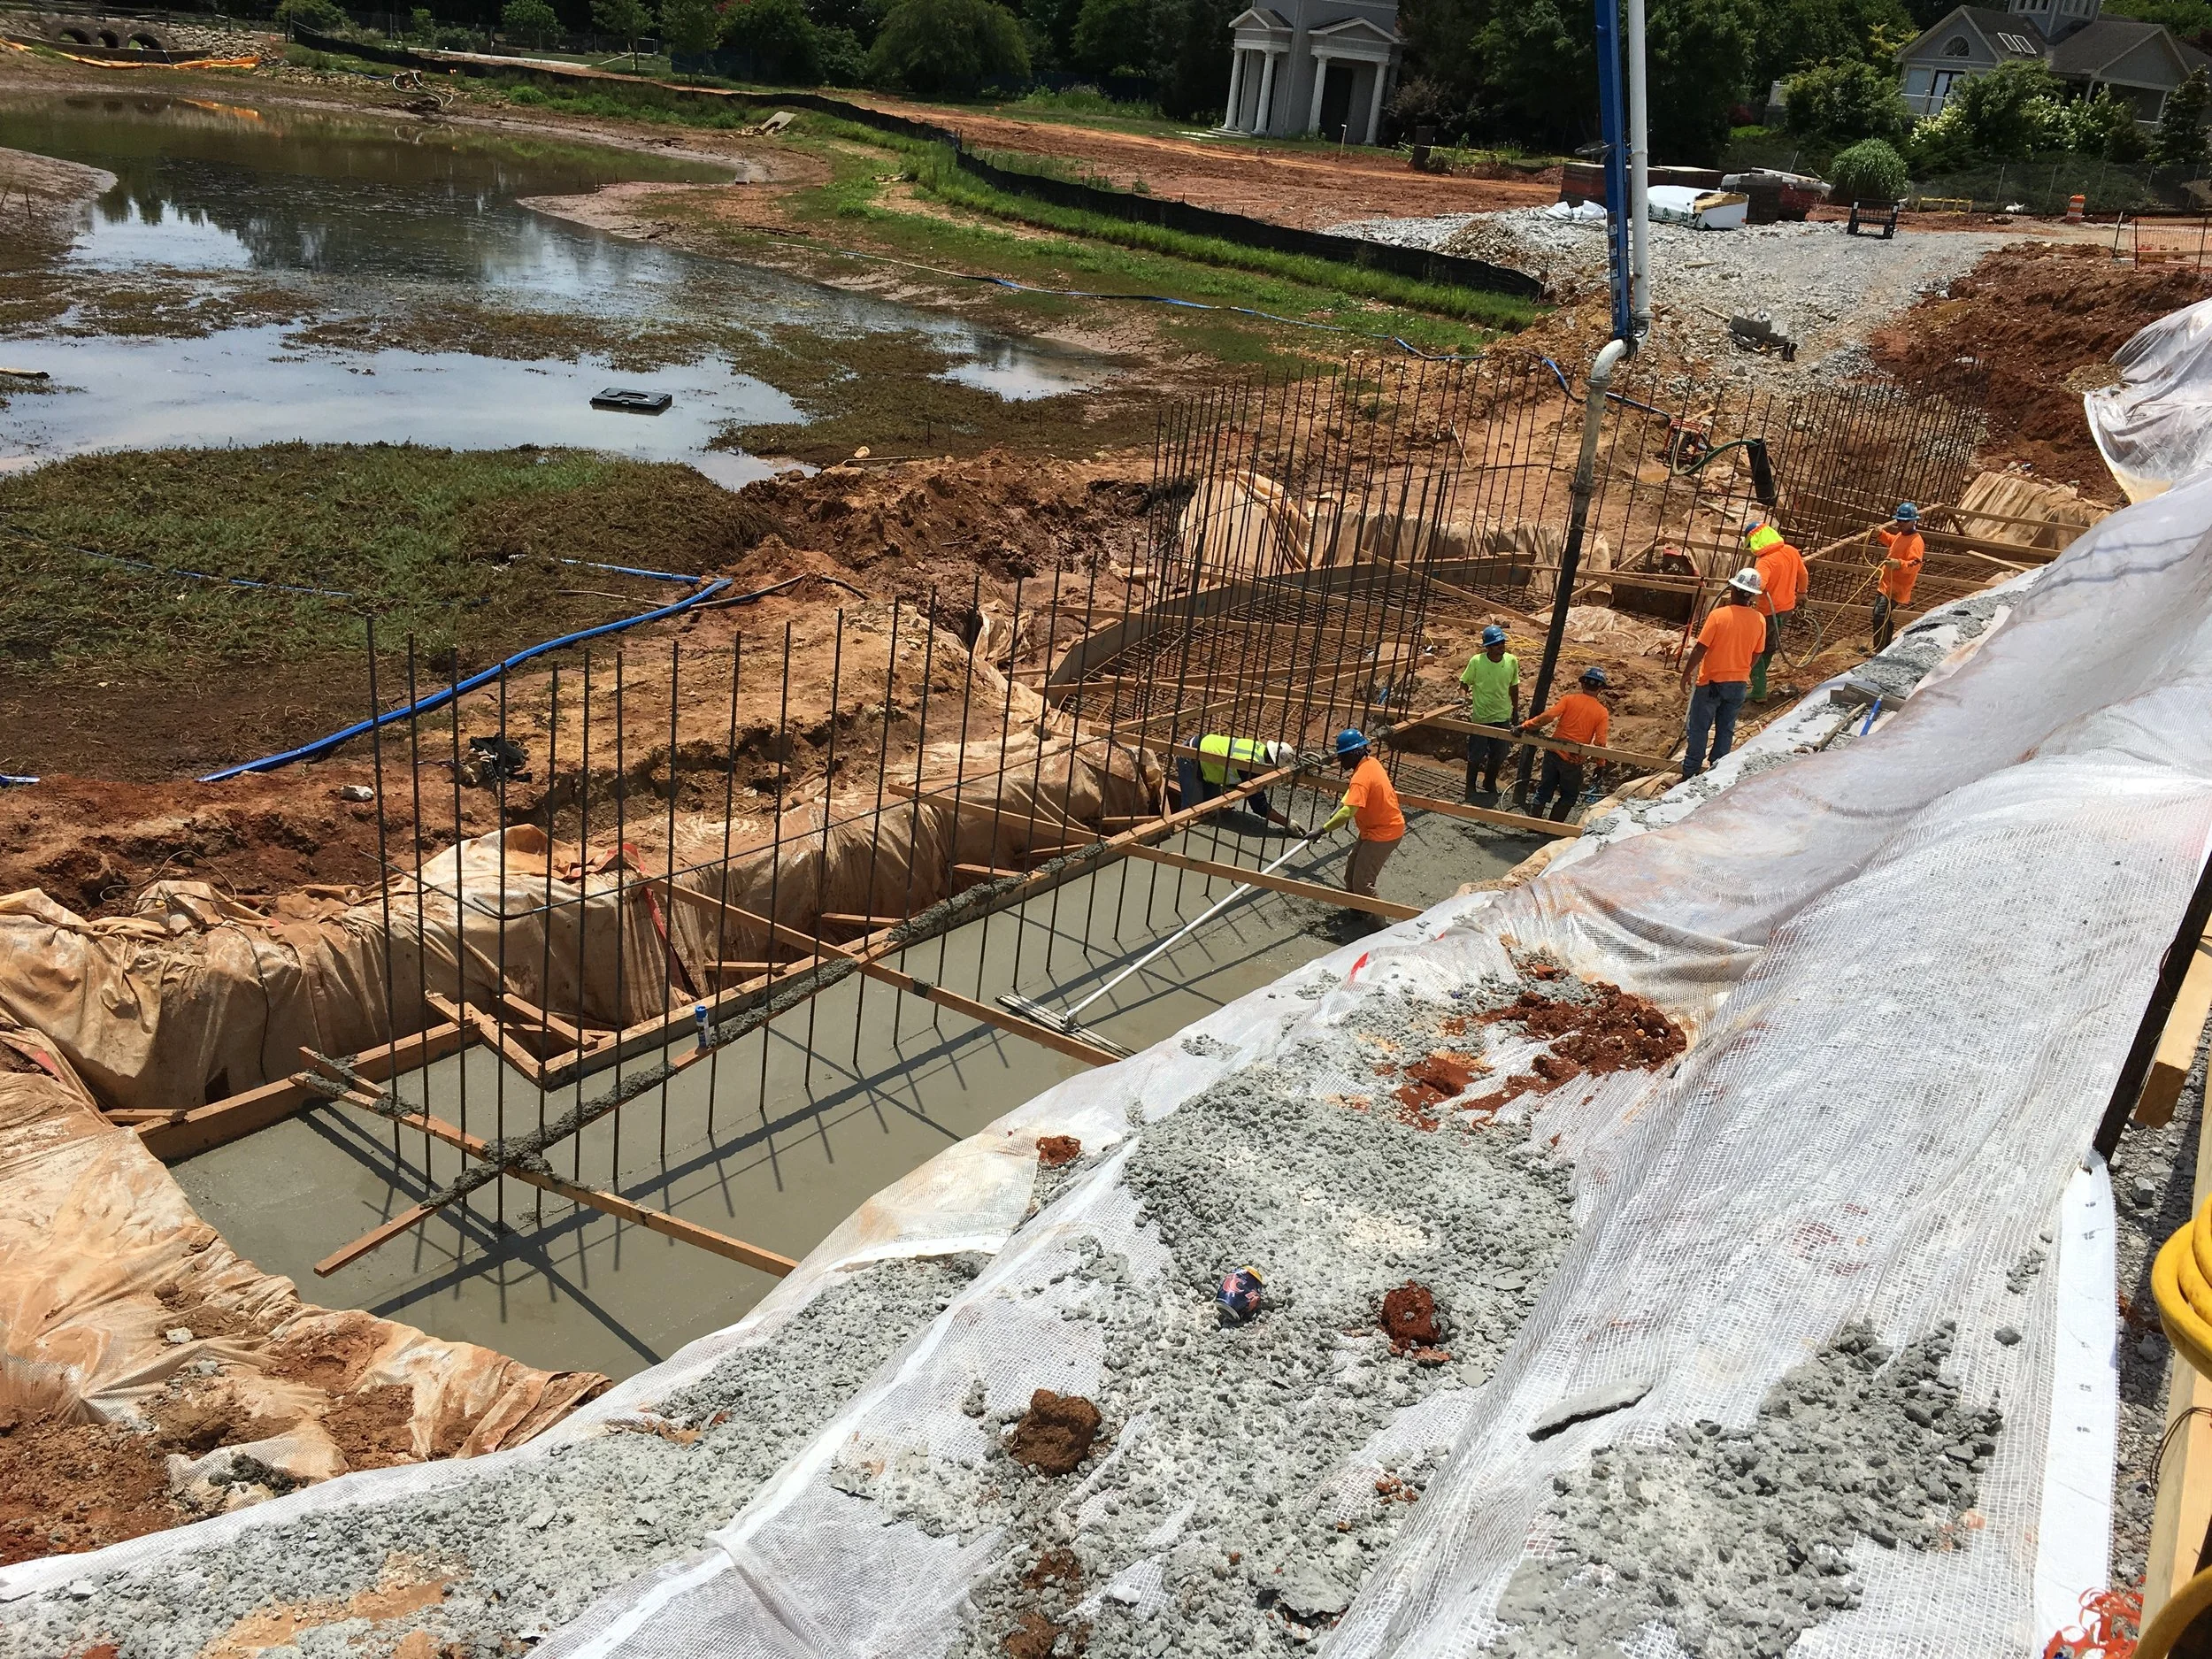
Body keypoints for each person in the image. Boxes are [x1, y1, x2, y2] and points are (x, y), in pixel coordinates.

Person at [1680, 570, 1767, 778]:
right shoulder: (1760, 620)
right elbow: (1758, 652)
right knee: (1725, 730)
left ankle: (1689, 773)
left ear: (1734, 590)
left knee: (1699, 729)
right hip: (1737, 684)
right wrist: (1744, 668)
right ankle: (1715, 774)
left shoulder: (1719, 616)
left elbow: (1700, 648)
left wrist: (1686, 674)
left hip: (1711, 683)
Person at [1322, 728, 1404, 904]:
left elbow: (1347, 813)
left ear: (1355, 753)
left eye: (1343, 755)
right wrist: (1343, 802)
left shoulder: (1362, 775)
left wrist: (1321, 831)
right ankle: (1357, 911)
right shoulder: (1370, 763)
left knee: (1363, 883)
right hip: (1374, 828)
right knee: (1351, 872)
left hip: (1384, 833)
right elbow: (1353, 793)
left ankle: (1377, 923)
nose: (1340, 760)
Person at [1518, 666, 1610, 823]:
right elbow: (1600, 742)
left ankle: (1532, 825)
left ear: (1583, 684)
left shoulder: (1569, 700)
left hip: (1554, 751)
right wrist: (1600, 764)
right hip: (1573, 760)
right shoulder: (1601, 712)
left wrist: (1524, 726)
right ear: (1600, 688)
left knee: (1544, 790)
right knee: (1568, 796)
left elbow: (1547, 717)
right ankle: (1552, 828)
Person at [1743, 518, 1807, 703]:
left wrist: (1742, 588)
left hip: (1767, 612)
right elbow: (1803, 574)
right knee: (1769, 646)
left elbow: (1760, 585)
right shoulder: (1791, 551)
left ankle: (1759, 689)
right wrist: (1801, 593)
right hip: (1787, 608)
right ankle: (1760, 683)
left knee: (1753, 648)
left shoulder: (1765, 562)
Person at [1176, 733, 1294, 828]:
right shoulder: (1250, 765)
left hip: (1209, 761)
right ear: (1270, 763)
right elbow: (1259, 806)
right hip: (1191, 755)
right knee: (1192, 813)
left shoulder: (1259, 749)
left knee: (1211, 810)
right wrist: (1287, 823)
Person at [1457, 624, 1520, 803]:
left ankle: (1489, 782)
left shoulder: (1511, 661)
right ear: (1488, 647)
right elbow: (1464, 683)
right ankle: (1470, 787)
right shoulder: (1477, 662)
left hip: (1503, 716)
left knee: (1499, 754)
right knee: (1476, 755)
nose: (1501, 646)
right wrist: (1462, 697)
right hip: (1481, 718)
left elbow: (1514, 687)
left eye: (1502, 642)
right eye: (1497, 643)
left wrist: (1515, 710)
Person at [1872, 502, 1924, 651]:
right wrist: (1880, 534)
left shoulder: (1916, 542)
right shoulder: (1902, 535)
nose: (1900, 524)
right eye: (1899, 520)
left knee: (1879, 614)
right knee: (1881, 615)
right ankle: (1884, 647)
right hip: (1886, 583)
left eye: (1904, 521)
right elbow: (1893, 541)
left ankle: (1879, 650)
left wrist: (1899, 564)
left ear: (1914, 521)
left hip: (1898, 587)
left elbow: (1916, 564)